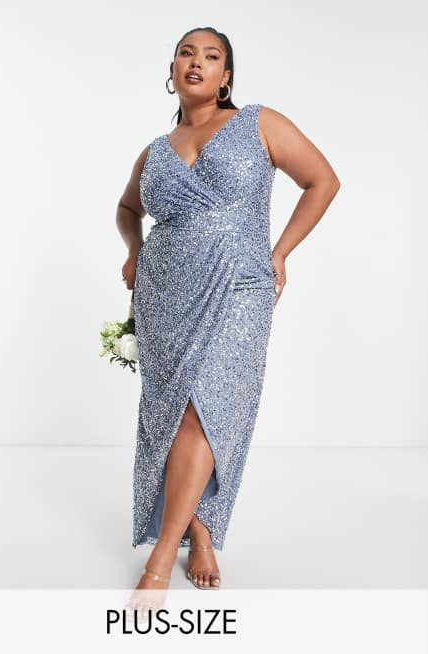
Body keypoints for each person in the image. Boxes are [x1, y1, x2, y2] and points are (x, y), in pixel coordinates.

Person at [116, 26, 340, 597]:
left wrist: (280, 253)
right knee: (176, 415)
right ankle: (200, 531)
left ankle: (159, 562)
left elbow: (322, 181)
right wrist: (134, 251)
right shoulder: (154, 151)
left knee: (207, 410)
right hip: (165, 293)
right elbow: (126, 209)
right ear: (172, 70)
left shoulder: (259, 124)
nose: (197, 61)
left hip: (240, 286)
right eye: (186, 53)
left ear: (226, 76)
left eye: (211, 56)